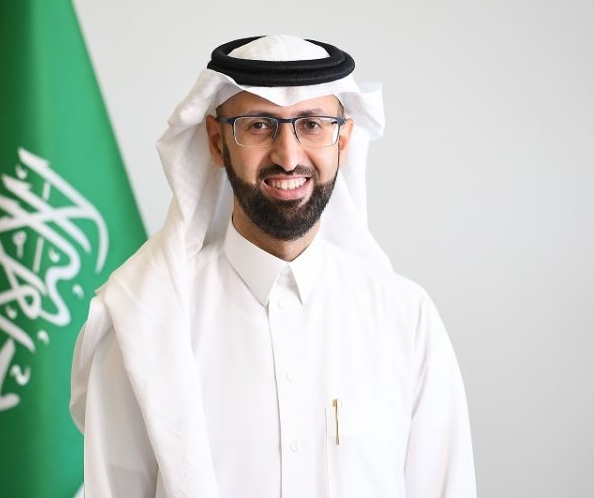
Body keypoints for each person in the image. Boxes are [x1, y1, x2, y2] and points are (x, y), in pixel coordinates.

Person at [70, 34, 476, 498]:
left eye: (312, 124)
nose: (288, 155)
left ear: (343, 140)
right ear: (217, 141)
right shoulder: (145, 324)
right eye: (260, 125)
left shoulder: (406, 318)